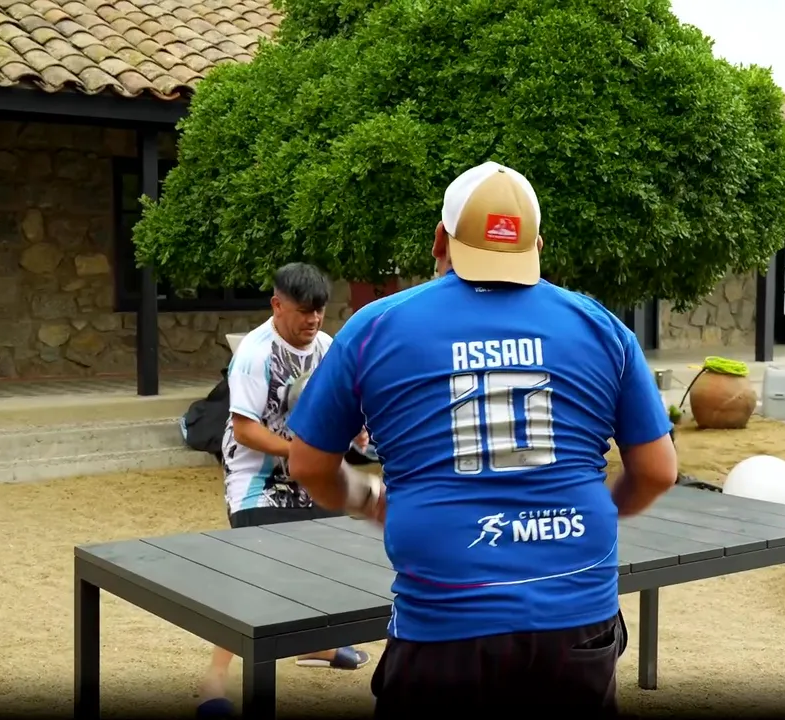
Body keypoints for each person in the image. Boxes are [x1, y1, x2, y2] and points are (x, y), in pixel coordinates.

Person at [287, 161, 679, 716]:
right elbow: (658, 471)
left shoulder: (376, 328)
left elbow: (308, 464)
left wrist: (368, 498)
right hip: (576, 612)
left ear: (440, 241)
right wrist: (599, 510)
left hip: (445, 617)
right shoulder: (602, 328)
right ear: (537, 247)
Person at [197, 262, 370, 716]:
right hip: (257, 481)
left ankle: (317, 646)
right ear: (277, 305)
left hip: (313, 475)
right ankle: (213, 683)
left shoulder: (328, 348)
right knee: (256, 574)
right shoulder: (255, 354)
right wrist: (301, 452)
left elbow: (342, 406)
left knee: (335, 557)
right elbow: (245, 429)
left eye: (319, 310)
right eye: (303, 311)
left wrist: (357, 430)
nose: (313, 320)